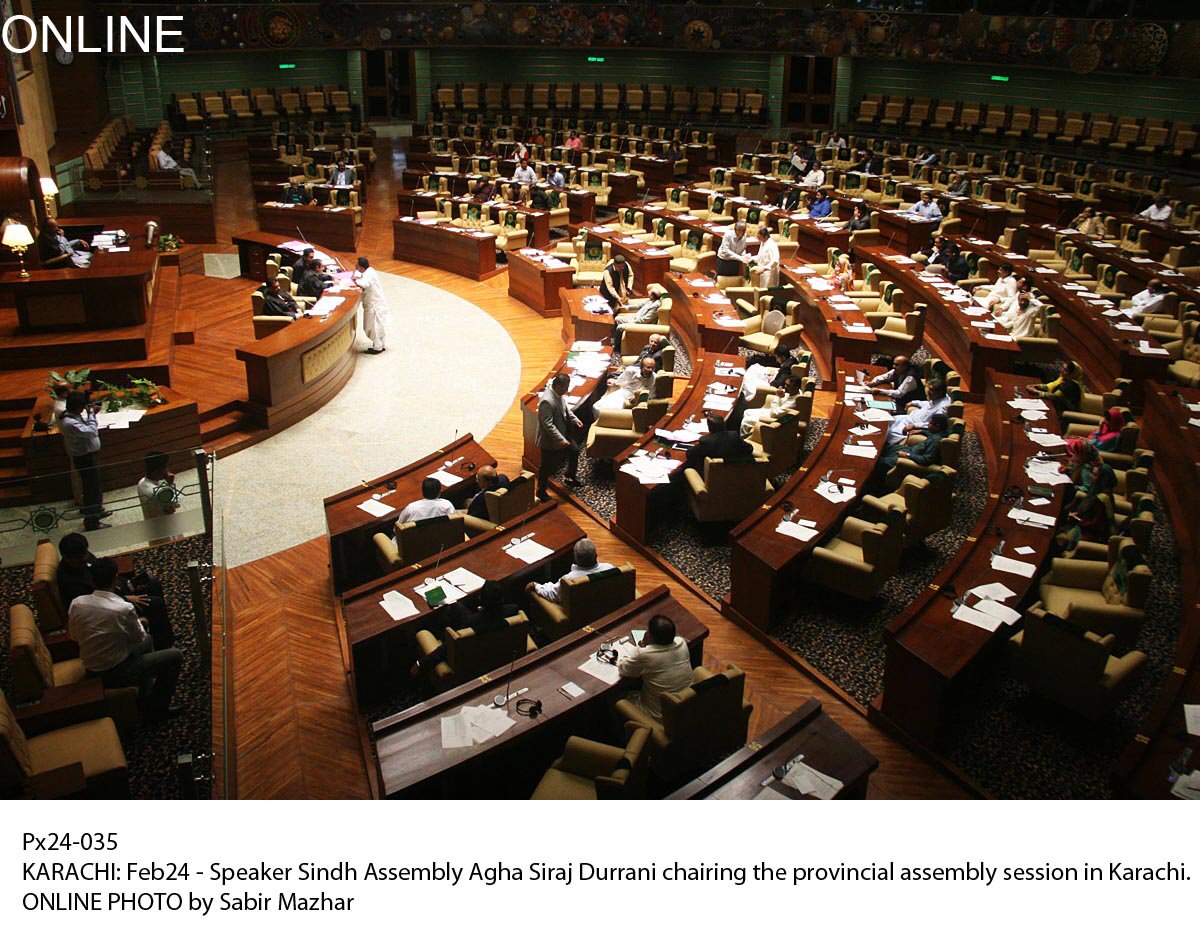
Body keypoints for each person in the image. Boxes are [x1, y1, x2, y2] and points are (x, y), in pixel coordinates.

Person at [68, 557, 184, 722]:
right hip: (116, 671)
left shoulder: (77, 603)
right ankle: (158, 709)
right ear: (116, 578)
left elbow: (73, 636)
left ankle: (146, 689)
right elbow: (138, 637)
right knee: (175, 656)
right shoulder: (123, 608)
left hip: (91, 667)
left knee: (149, 640)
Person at [57, 532, 173, 650]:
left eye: (85, 553)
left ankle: (166, 635)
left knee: (153, 583)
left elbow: (104, 571)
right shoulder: (68, 581)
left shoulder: (83, 556)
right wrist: (125, 598)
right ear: (67, 558)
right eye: (79, 558)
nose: (85, 558)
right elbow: (93, 602)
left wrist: (127, 584)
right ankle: (162, 645)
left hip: (114, 590)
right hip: (107, 605)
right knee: (155, 604)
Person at [411, 581, 518, 677]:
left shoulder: (471, 623)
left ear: (480, 598)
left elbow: (446, 648)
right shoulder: (513, 610)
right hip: (501, 652)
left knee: (447, 617)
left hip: (470, 659)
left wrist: (421, 664)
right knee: (457, 607)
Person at [616, 613, 693, 720]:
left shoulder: (645, 655)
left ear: (650, 636)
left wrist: (642, 644)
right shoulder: (682, 642)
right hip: (687, 707)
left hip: (659, 716)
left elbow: (623, 669)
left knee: (615, 697)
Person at [59, 391, 108, 530]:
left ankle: (96, 511)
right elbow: (92, 432)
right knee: (91, 489)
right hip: (85, 459)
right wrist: (91, 414)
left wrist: (91, 414)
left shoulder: (74, 416)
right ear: (77, 406)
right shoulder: (70, 422)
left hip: (89, 456)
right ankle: (91, 522)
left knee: (94, 486)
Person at [871, 413, 950, 490]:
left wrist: (907, 455)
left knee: (880, 462)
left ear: (937, 426)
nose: (928, 425)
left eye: (930, 423)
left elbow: (926, 460)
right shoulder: (942, 433)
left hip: (908, 458)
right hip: (910, 451)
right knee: (884, 447)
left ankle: (874, 486)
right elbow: (931, 434)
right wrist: (921, 431)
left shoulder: (935, 441)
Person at [527, 538, 613, 606]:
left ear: (575, 559)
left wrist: (536, 585)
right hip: (603, 605)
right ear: (596, 555)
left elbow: (552, 594)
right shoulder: (609, 568)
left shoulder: (569, 579)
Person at [535, 373, 582, 499]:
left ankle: (569, 477)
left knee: (575, 451)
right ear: (557, 386)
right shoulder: (546, 401)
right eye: (565, 387)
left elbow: (565, 409)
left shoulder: (558, 395)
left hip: (564, 432)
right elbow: (547, 425)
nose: (567, 390)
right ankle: (541, 491)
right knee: (546, 467)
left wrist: (574, 419)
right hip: (550, 440)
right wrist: (561, 439)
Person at [682, 414, 753, 477]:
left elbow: (690, 453)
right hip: (739, 475)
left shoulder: (705, 441)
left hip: (715, 478)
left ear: (709, 428)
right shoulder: (734, 435)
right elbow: (749, 449)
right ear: (724, 424)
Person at [886, 379, 949, 444]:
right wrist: (914, 402)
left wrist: (914, 425)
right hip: (908, 417)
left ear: (940, 392)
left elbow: (932, 425)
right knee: (886, 420)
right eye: (929, 389)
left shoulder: (942, 409)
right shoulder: (940, 397)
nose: (928, 392)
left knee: (889, 432)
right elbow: (929, 404)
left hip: (912, 424)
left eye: (931, 390)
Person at [352, 256, 389, 354]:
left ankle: (377, 347)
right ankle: (381, 344)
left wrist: (355, 281)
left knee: (370, 326)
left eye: (357, 266)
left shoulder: (368, 275)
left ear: (361, 268)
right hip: (377, 302)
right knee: (378, 325)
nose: (355, 267)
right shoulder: (370, 270)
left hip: (373, 305)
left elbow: (365, 284)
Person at [137, 450, 178, 520]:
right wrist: (170, 484)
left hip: (150, 522)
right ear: (159, 470)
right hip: (164, 526)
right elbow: (176, 505)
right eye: (165, 467)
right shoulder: (159, 492)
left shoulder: (141, 482)